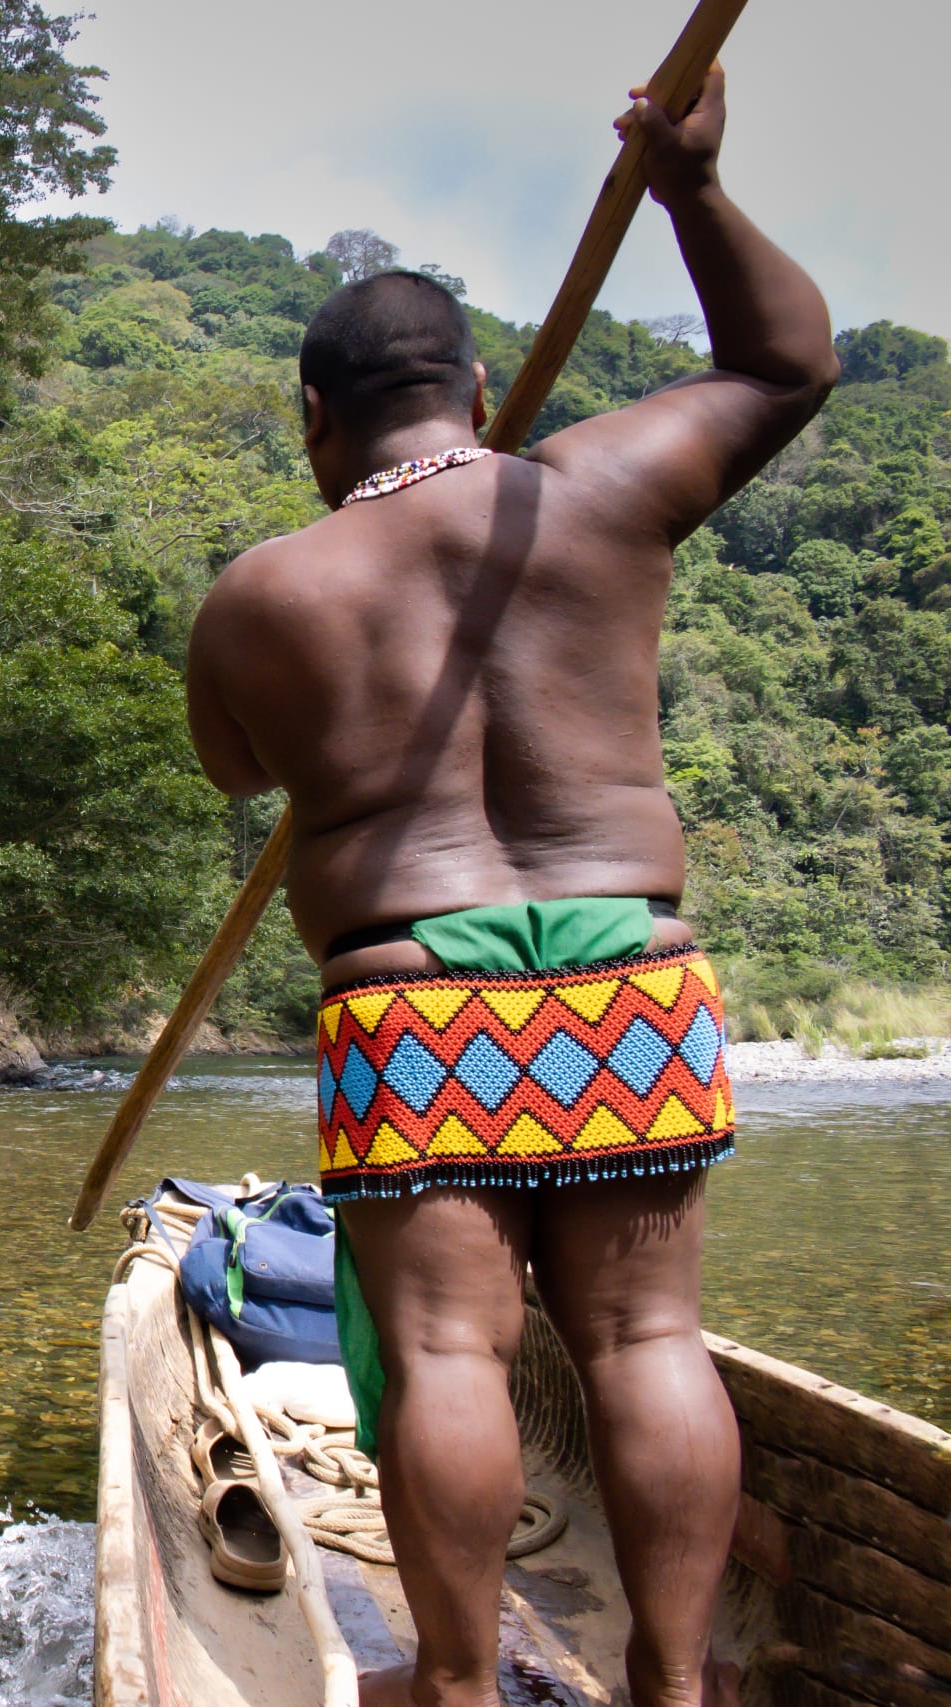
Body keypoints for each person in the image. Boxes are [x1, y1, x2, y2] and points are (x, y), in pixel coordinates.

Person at [181, 67, 836, 1707]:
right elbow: (789, 364)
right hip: (628, 970)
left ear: (312, 421)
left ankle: (457, 1687)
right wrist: (688, 188)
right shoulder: (602, 488)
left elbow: (235, 770)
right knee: (645, 1345)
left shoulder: (261, 599)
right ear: (476, 385)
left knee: (452, 1352)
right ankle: (676, 1689)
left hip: (417, 997)